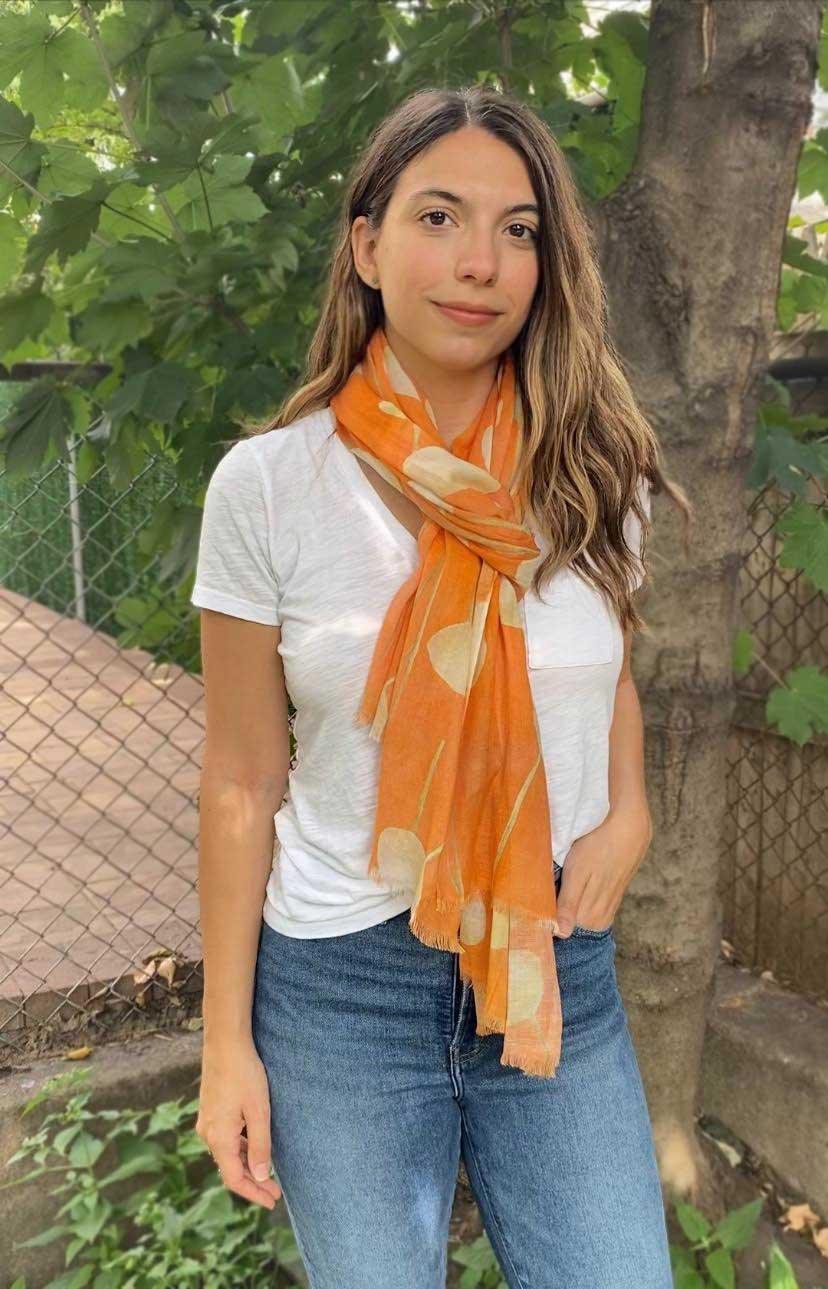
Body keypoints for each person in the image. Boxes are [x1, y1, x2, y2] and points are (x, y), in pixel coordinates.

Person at [191, 84, 691, 1289]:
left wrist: (628, 808)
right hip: (343, 987)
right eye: (438, 217)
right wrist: (223, 1045)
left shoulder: (594, 472)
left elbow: (603, 671)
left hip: (552, 958)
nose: (480, 263)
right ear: (366, 246)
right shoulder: (269, 487)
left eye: (518, 230)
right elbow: (242, 779)